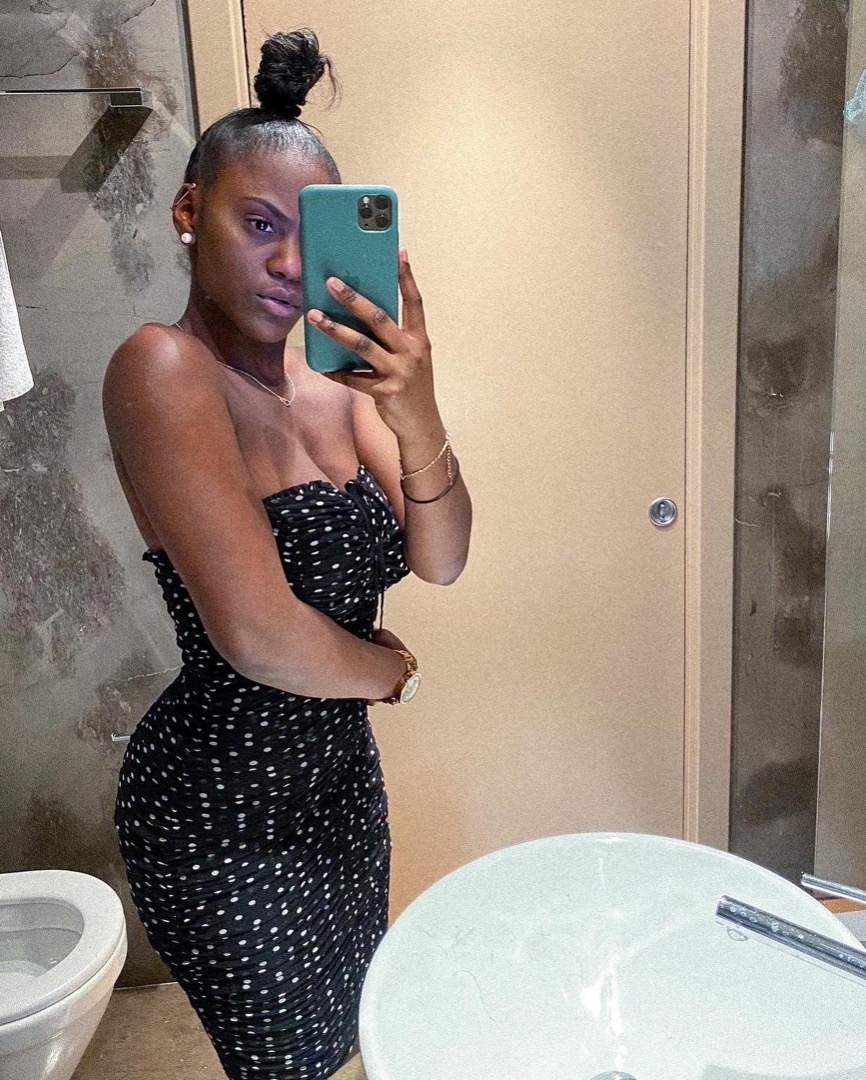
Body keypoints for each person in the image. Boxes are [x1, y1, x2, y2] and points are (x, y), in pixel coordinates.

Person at [103, 28, 471, 1080]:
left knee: (353, 1030)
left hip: (339, 787)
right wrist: (392, 674)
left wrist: (415, 406)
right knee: (285, 1063)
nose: (290, 263)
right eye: (257, 223)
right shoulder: (163, 368)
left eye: (309, 234)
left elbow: (442, 556)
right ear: (190, 211)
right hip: (221, 813)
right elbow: (260, 636)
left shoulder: (333, 384)